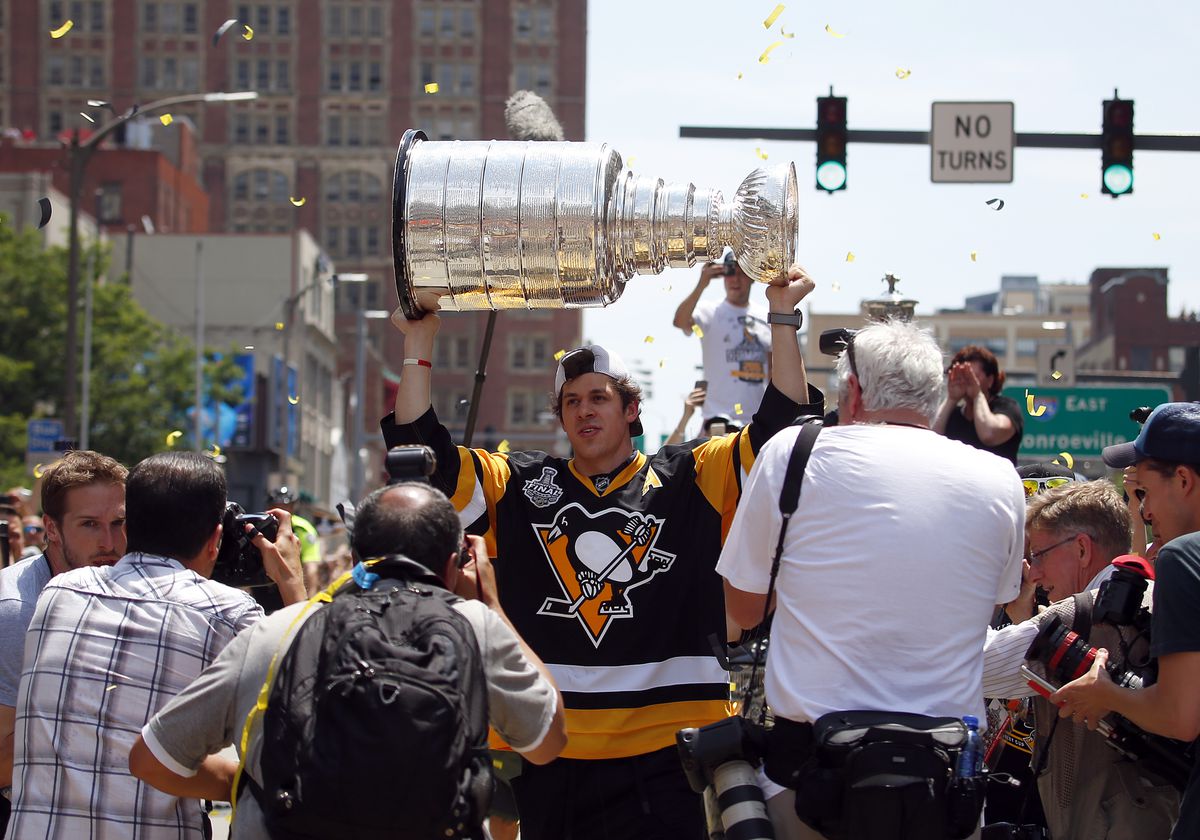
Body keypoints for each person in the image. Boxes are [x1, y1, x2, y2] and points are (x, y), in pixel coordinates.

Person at [385, 265, 819, 839]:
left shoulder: (693, 476)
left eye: (599, 398)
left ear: (631, 410)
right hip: (553, 753)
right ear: (561, 416)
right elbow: (424, 461)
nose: (585, 410)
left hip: (673, 756)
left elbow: (780, 432)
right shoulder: (518, 485)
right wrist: (419, 342)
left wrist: (782, 317)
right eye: (571, 402)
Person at [717, 319, 1025, 839]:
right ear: (931, 394)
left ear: (854, 392)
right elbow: (998, 599)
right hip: (945, 788)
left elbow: (743, 611)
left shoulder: (796, 453)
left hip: (812, 782)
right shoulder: (999, 478)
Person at [130, 481, 567, 839]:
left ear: (356, 559)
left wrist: (241, 782)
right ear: (455, 566)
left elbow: (150, 760)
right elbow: (548, 741)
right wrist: (492, 606)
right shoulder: (475, 627)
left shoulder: (277, 631)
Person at [5, 452, 305, 839]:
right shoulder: (227, 613)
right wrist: (291, 581)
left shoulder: (59, 591)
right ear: (215, 540)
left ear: (130, 525)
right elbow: (308, 702)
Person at [982, 480, 1178, 839]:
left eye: (1038, 554)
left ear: (1083, 549)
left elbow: (976, 667)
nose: (1034, 573)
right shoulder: (1159, 597)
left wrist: (986, 591)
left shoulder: (1082, 614)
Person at [1053, 403, 1200, 840]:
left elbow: (1179, 716)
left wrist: (1108, 696)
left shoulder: (1185, 558)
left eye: (1144, 491)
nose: (1144, 510)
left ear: (1184, 480)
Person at [0, 450, 127, 835]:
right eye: (89, 524)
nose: (109, 542)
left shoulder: (130, 586)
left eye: (119, 522)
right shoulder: (18, 610)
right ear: (51, 529)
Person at [672, 252, 774, 423]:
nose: (736, 280)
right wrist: (701, 284)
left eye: (742, 273)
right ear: (723, 276)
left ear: (752, 277)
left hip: (755, 420)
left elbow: (773, 370)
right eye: (730, 273)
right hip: (717, 418)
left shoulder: (766, 316)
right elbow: (680, 322)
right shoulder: (710, 312)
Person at [933, 344, 1023, 464]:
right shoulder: (951, 414)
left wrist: (977, 395)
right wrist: (951, 399)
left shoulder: (1007, 407)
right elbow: (930, 438)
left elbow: (989, 435)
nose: (967, 381)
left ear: (990, 380)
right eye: (962, 376)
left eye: (973, 376)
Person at [267, 486, 324, 597]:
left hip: (292, 585)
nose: (280, 511)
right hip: (264, 587)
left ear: (292, 508)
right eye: (276, 507)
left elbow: (311, 566)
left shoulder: (303, 528)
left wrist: (309, 601)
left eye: (285, 507)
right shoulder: (258, 525)